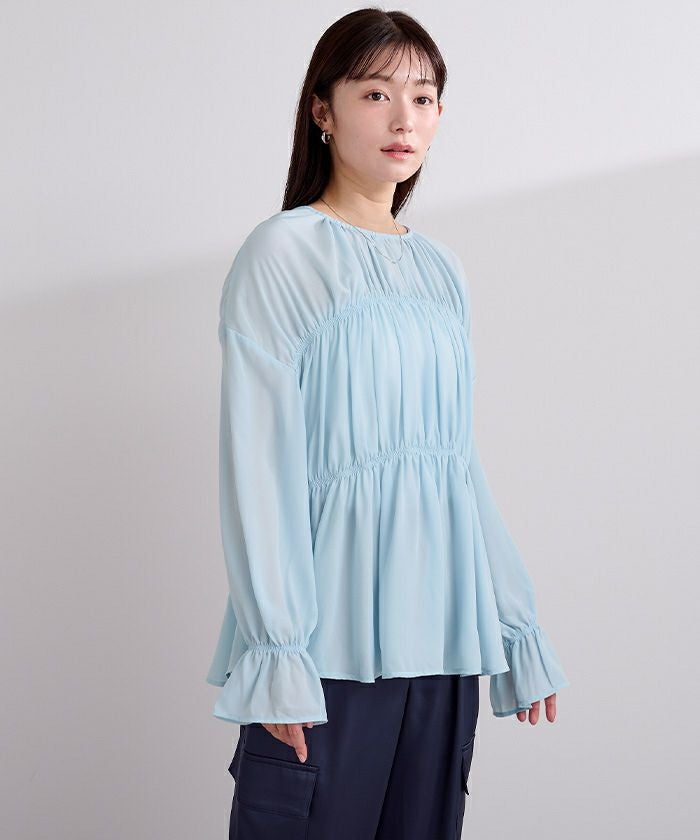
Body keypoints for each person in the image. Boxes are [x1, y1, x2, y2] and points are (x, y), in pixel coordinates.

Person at [205, 8, 570, 839]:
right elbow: (258, 466)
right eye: (376, 93)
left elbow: (454, 465)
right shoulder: (282, 253)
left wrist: (516, 623)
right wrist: (278, 651)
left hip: (443, 644)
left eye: (424, 96)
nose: (404, 118)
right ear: (323, 110)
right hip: (325, 646)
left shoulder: (441, 271)